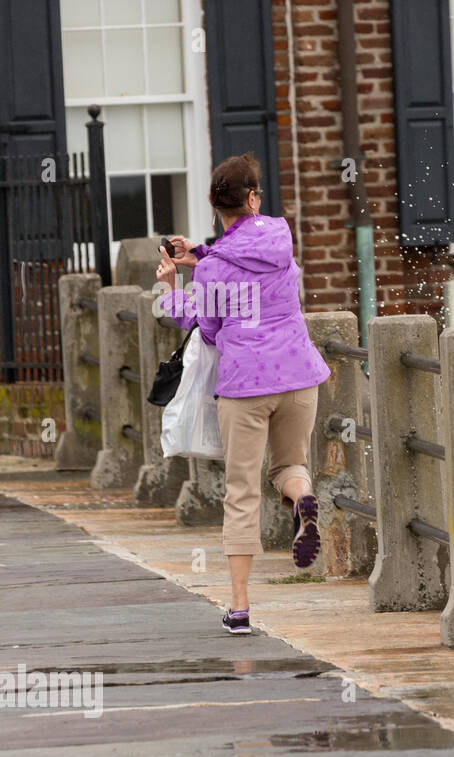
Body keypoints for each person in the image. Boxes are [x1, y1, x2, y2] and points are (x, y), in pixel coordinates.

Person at [155, 153, 331, 635]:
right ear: (253, 198)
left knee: (242, 492)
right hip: (299, 377)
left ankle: (239, 608)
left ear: (216, 207)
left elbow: (205, 329)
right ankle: (302, 500)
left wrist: (174, 285)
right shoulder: (281, 237)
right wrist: (207, 253)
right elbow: (251, 257)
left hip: (246, 386)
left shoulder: (211, 273)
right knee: (290, 467)